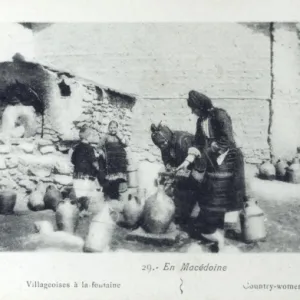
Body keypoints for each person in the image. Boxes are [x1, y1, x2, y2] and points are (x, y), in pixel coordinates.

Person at [177, 90, 247, 250]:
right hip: (212, 160)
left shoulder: (220, 115)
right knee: (210, 194)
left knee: (223, 194)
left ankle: (222, 231)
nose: (192, 111)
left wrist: (213, 147)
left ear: (200, 105)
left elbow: (228, 140)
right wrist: (187, 161)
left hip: (228, 160)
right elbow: (198, 142)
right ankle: (212, 229)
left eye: (193, 108)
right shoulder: (200, 121)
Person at [150, 122, 205, 224]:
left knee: (195, 190)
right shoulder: (164, 145)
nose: (162, 146)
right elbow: (166, 159)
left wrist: (183, 170)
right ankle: (184, 217)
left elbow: (193, 158)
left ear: (168, 138)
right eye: (159, 145)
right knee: (180, 190)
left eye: (163, 143)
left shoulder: (183, 140)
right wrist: (169, 167)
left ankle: (195, 219)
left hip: (198, 165)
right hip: (184, 169)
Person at [71, 126, 100, 212]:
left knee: (79, 193)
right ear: (87, 136)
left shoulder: (76, 147)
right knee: (86, 193)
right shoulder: (90, 148)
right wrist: (97, 167)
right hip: (86, 175)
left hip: (77, 174)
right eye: (92, 135)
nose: (93, 137)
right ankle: (85, 210)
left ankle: (79, 210)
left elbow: (72, 160)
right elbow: (93, 161)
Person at [98, 120, 129, 199]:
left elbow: (126, 144)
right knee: (111, 180)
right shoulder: (105, 137)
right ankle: (111, 196)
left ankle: (118, 195)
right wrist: (102, 153)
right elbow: (98, 147)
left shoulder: (120, 136)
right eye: (111, 128)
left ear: (117, 128)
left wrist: (120, 136)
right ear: (108, 128)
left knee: (119, 180)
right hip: (110, 162)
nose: (113, 129)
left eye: (114, 128)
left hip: (119, 162)